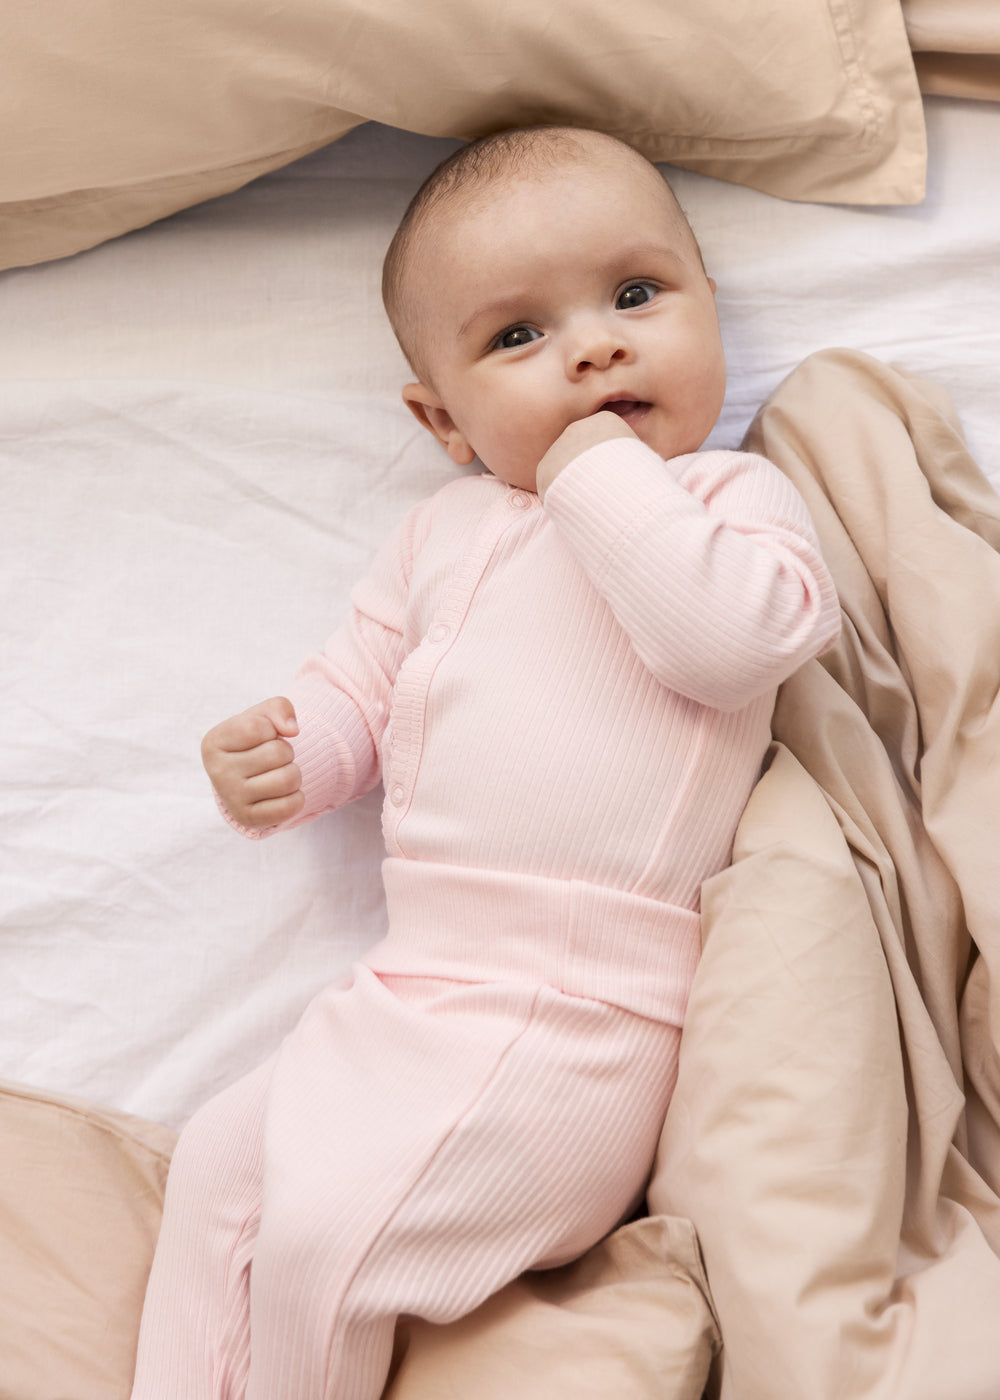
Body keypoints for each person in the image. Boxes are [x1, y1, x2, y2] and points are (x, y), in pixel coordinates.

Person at [130, 126, 840, 1400]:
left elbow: (730, 643)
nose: (592, 347)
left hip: (575, 1017)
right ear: (443, 421)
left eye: (635, 296)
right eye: (517, 337)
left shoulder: (728, 500)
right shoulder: (439, 533)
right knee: (222, 1164)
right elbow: (359, 686)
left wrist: (594, 468)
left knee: (330, 1248)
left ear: (710, 310)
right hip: (409, 981)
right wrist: (294, 751)